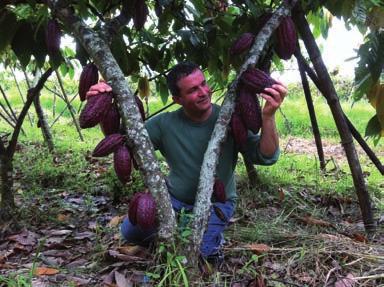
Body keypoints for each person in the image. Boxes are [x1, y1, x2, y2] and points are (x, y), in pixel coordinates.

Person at [86, 62, 287, 264]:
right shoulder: (164, 124)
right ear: (177, 99)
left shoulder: (229, 119)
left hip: (217, 202)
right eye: (192, 90)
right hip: (174, 199)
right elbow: (125, 143)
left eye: (203, 84)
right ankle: (180, 229)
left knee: (202, 256)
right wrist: (102, 106)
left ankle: (207, 237)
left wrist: (268, 116)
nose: (203, 92)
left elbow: (266, 156)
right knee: (130, 232)